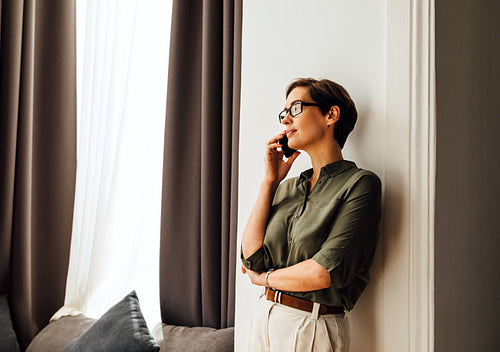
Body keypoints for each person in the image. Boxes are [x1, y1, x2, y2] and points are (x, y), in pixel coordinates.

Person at [240, 78, 382, 351]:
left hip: (311, 324)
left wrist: (264, 279)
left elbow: (325, 271)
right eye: (284, 113)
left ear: (331, 115)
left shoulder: (360, 184)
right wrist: (269, 183)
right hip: (264, 317)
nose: (285, 121)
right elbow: (251, 258)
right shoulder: (289, 188)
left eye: (295, 108)